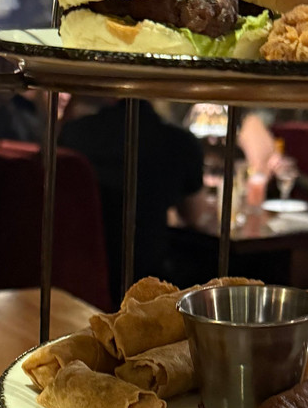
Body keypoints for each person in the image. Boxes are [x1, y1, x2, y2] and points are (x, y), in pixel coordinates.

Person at [58, 98, 206, 296]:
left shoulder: (73, 132)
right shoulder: (179, 141)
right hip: (147, 282)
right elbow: (193, 215)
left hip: (75, 275)